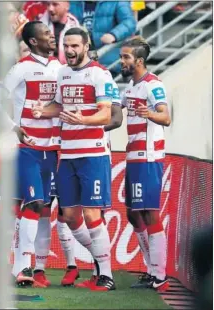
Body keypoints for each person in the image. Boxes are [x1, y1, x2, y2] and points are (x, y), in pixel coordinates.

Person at [32, 27, 116, 291]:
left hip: (93, 153)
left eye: (74, 46)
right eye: (66, 46)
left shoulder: (100, 74)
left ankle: (106, 276)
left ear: (86, 46)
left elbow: (107, 115)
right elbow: (58, 106)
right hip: (67, 154)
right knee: (69, 216)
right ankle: (100, 264)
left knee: (92, 214)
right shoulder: (63, 73)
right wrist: (41, 111)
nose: (69, 51)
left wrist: (84, 119)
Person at [0, 21, 62, 288]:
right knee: (35, 204)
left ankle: (17, 266)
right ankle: (25, 265)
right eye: (46, 34)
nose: (52, 37)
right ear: (32, 41)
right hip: (26, 147)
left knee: (32, 207)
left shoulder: (59, 68)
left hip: (52, 148)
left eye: (52, 33)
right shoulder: (21, 69)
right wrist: (13, 126)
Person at [120, 36, 171, 291]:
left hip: (148, 156)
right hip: (133, 156)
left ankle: (159, 276)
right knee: (132, 213)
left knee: (149, 212)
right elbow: (114, 113)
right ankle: (151, 269)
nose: (122, 61)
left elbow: (166, 116)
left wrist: (149, 113)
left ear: (139, 61)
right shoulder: (130, 87)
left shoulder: (153, 85)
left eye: (126, 57)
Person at [68, 1, 136, 74]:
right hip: (78, 61)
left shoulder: (117, 2)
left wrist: (114, 35)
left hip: (107, 61)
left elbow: (129, 22)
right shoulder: (73, 3)